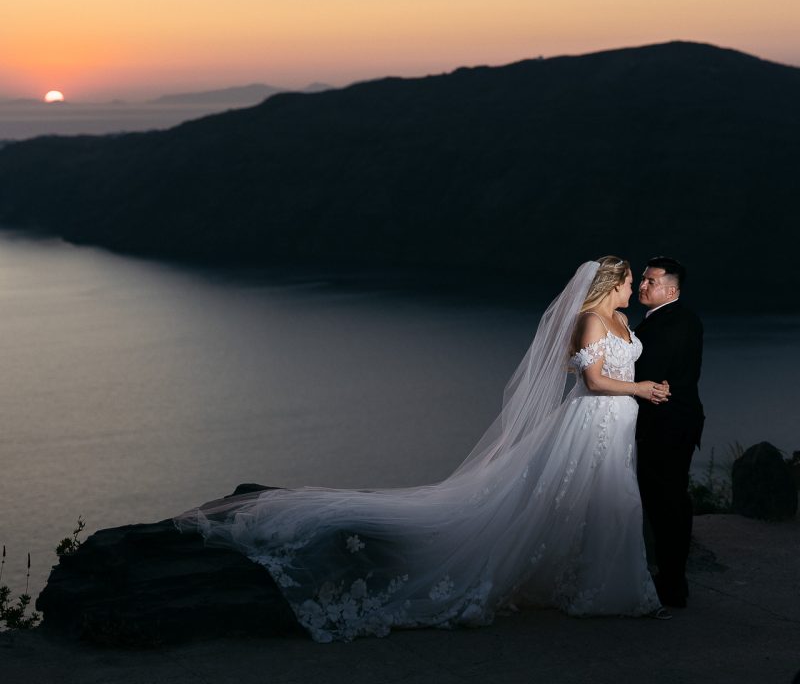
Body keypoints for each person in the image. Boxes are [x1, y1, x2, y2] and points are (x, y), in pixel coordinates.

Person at [176, 257, 668, 641]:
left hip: (618, 424)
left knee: (609, 501)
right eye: (630, 282)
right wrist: (641, 389)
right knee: (590, 499)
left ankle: (599, 583)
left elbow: (610, 367)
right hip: (591, 422)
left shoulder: (621, 319)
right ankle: (601, 590)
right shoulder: (590, 320)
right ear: (613, 283)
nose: (635, 289)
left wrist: (644, 389)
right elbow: (593, 380)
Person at [635, 256, 704, 609]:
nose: (642, 285)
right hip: (671, 421)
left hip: (667, 424)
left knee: (666, 503)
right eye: (643, 279)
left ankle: (672, 583)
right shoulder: (672, 318)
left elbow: (649, 373)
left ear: (672, 291)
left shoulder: (673, 323)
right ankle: (671, 579)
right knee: (666, 500)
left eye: (651, 281)